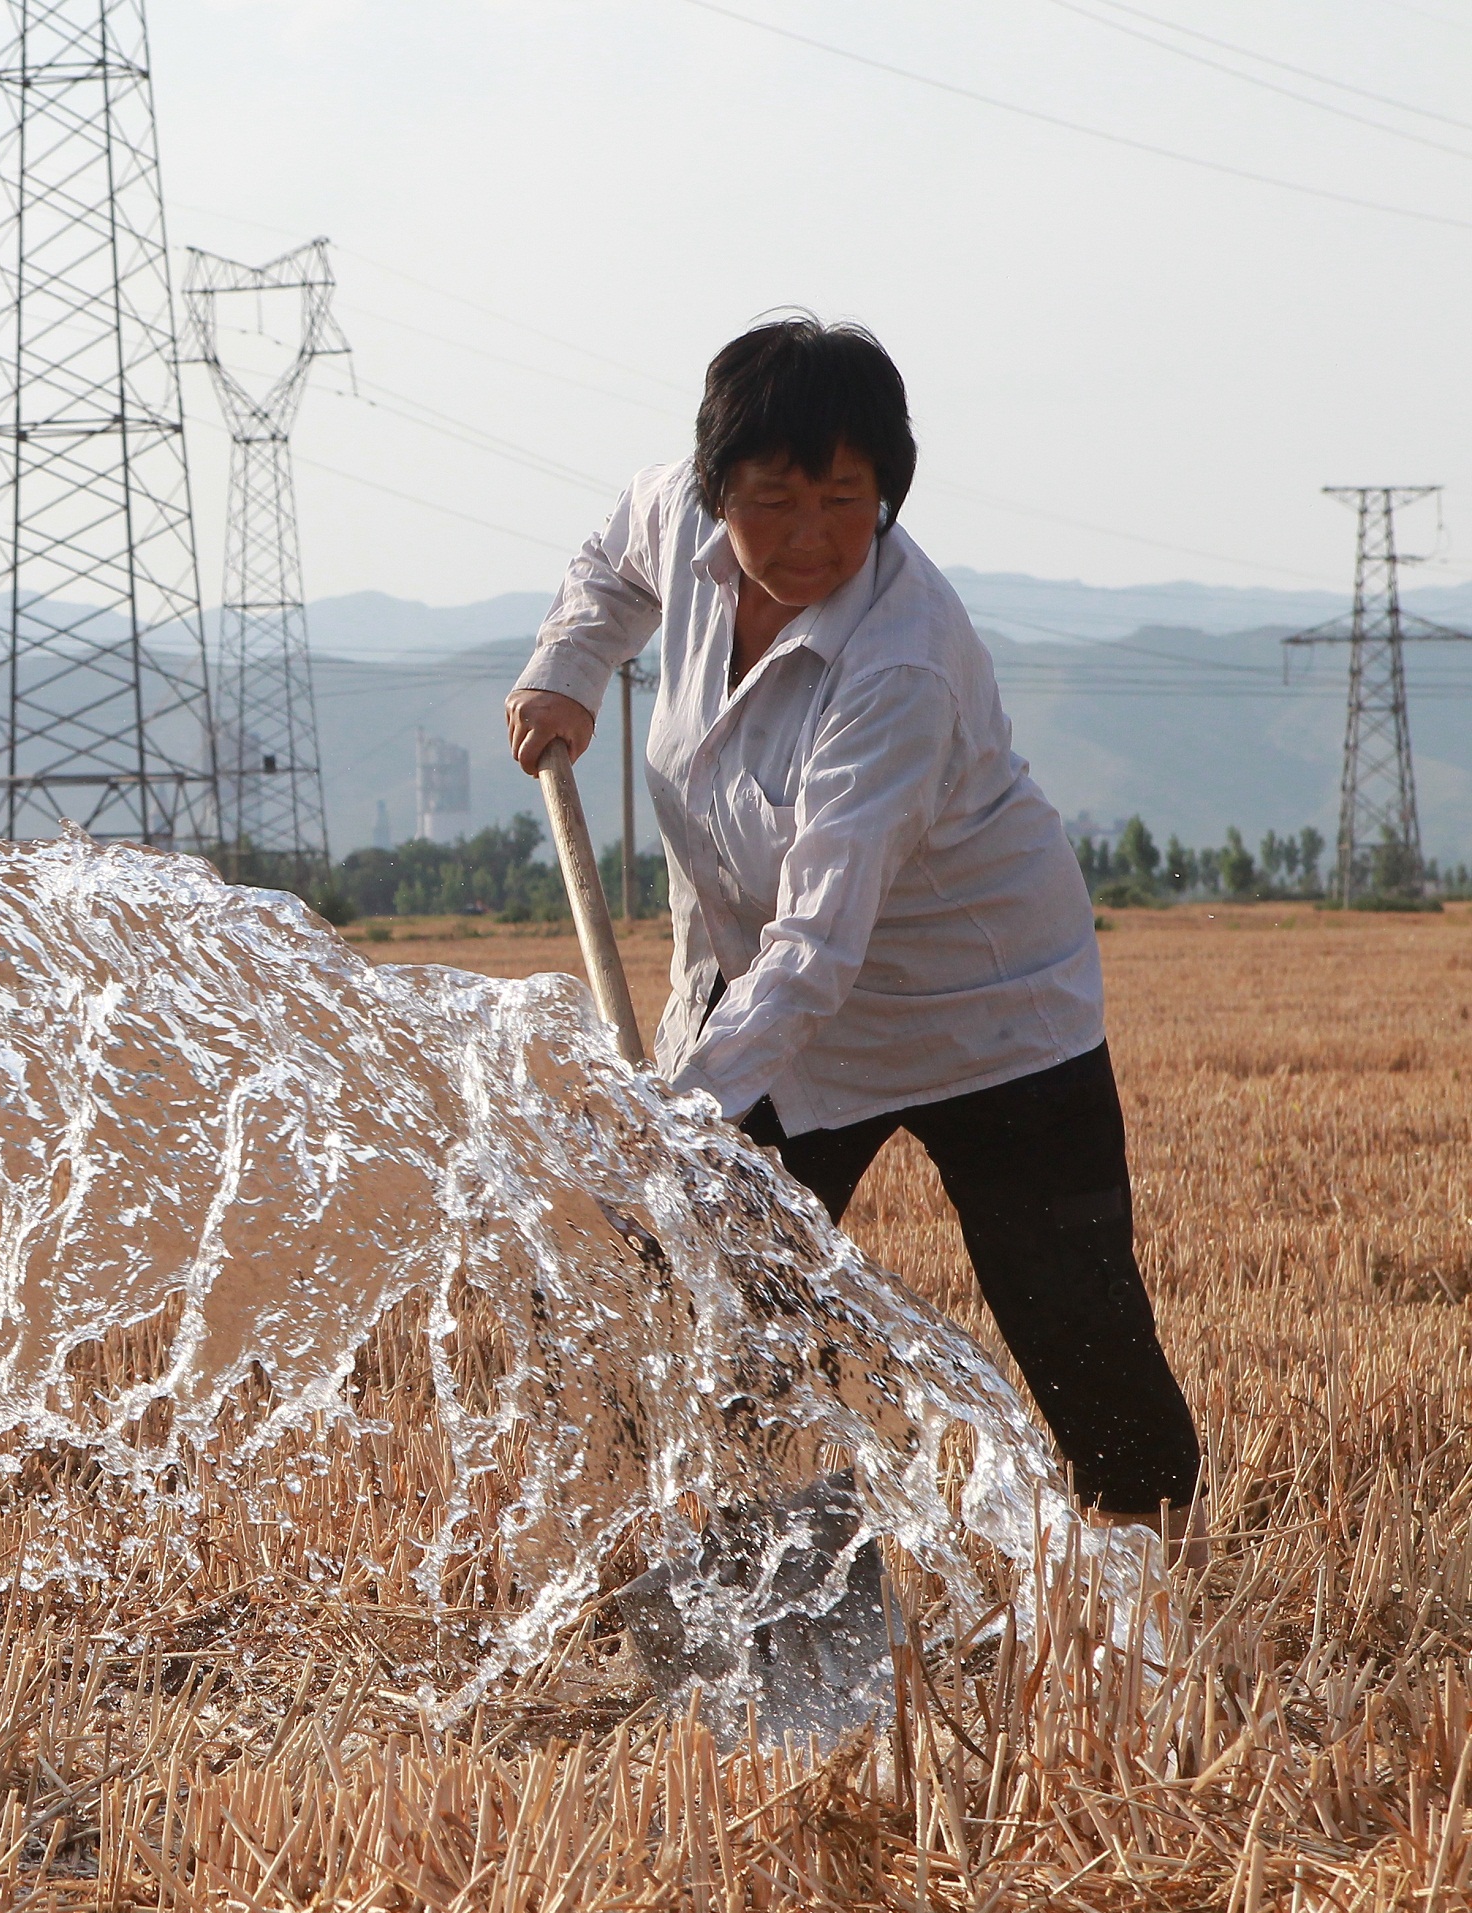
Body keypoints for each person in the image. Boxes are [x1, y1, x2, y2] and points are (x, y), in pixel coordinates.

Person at [504, 318, 1202, 1549]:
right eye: (774, 500)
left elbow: (824, 944)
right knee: (704, 1285)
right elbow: (616, 554)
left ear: (888, 495)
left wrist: (677, 1112)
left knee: (1074, 1313)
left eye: (849, 499)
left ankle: (1159, 1573)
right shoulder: (682, 516)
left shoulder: (899, 667)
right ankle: (734, 1552)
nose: (813, 537)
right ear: (720, 488)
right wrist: (570, 665)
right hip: (769, 1001)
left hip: (981, 1011)